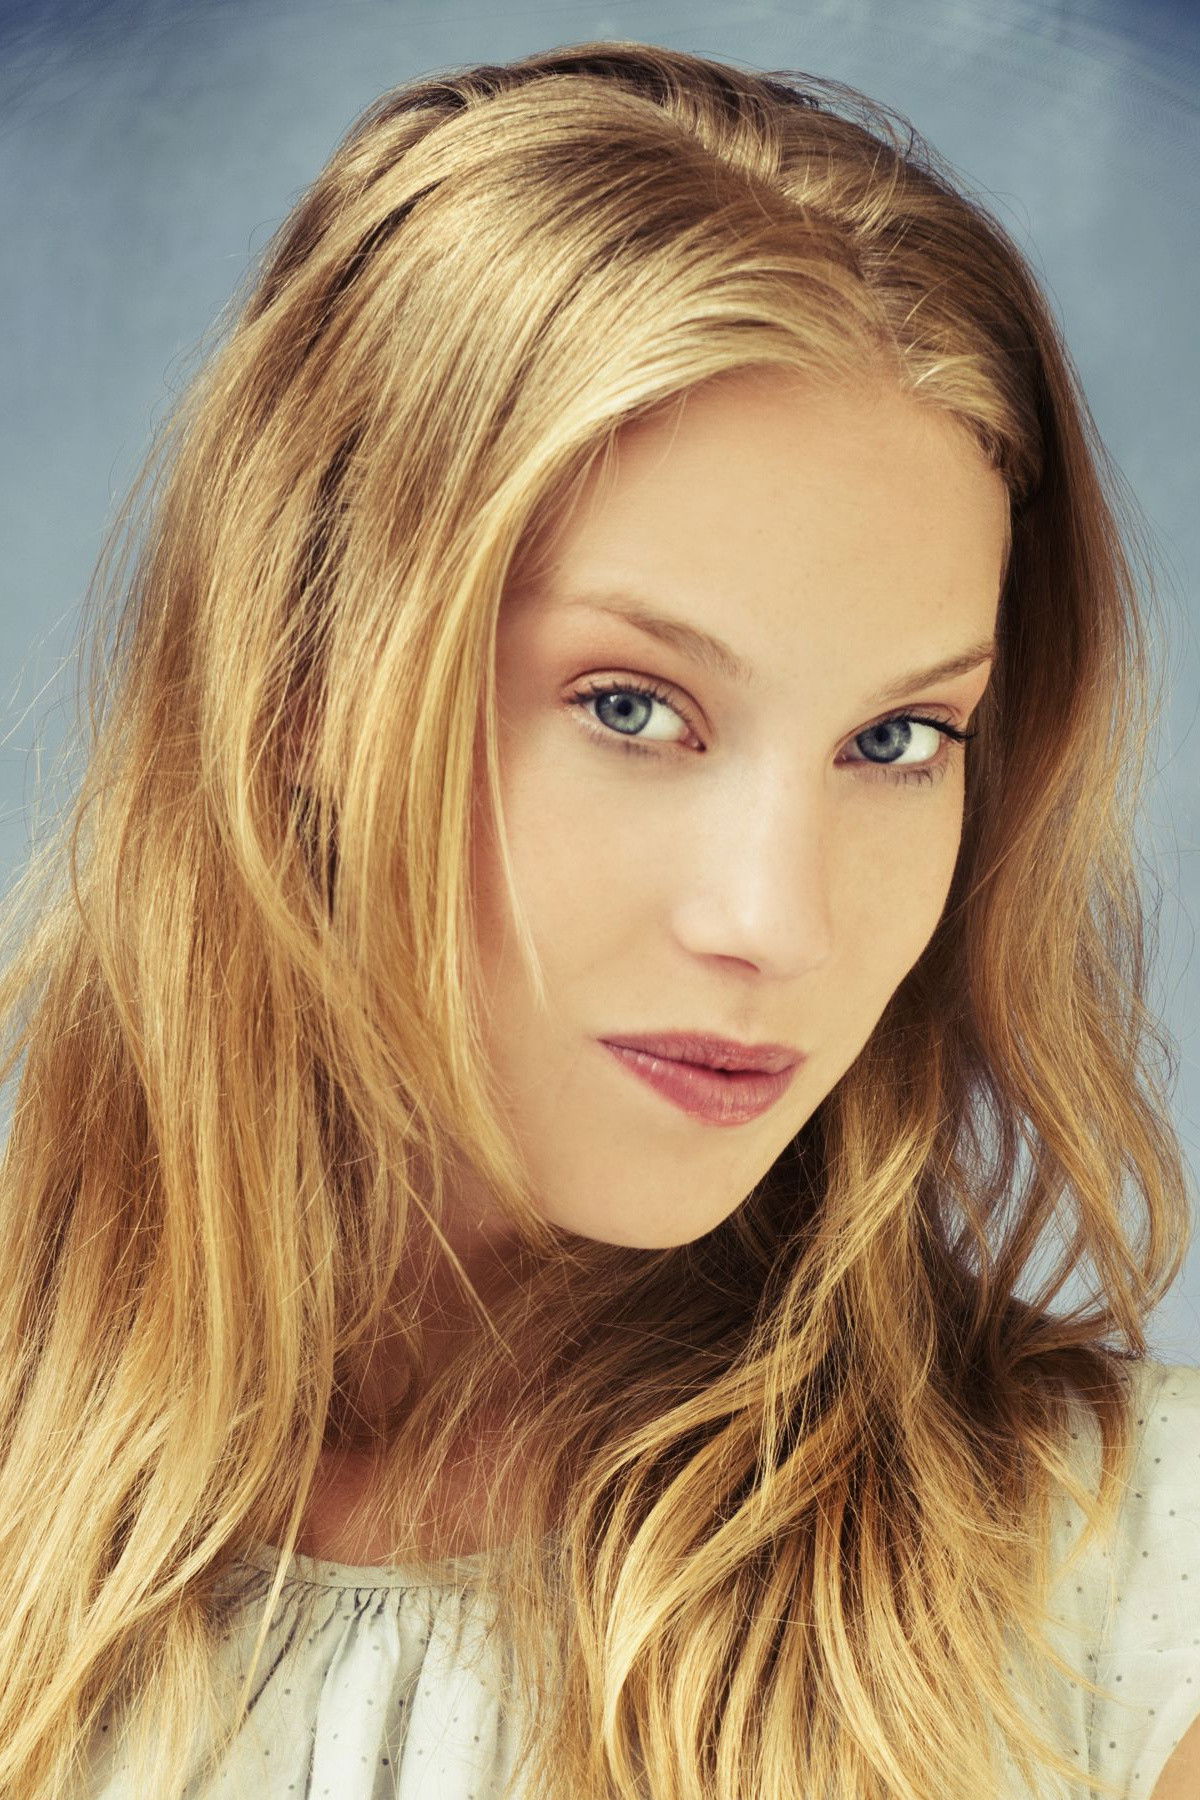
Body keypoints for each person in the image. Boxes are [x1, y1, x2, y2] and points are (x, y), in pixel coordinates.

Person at [0, 39, 1195, 1800]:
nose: (776, 923)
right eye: (633, 707)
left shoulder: (1128, 1594)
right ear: (306, 688)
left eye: (898, 739)